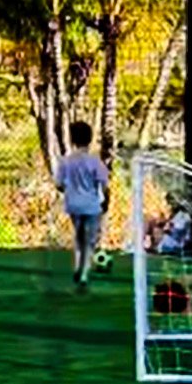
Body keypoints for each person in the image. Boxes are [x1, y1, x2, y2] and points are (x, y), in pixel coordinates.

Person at [54, 122, 110, 287]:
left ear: (72, 139)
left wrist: (70, 190)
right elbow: (104, 184)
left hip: (73, 204)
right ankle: (84, 273)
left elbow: (59, 184)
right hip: (91, 205)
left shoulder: (66, 162)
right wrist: (103, 199)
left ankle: (77, 265)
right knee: (90, 239)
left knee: (78, 236)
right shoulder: (95, 162)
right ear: (90, 139)